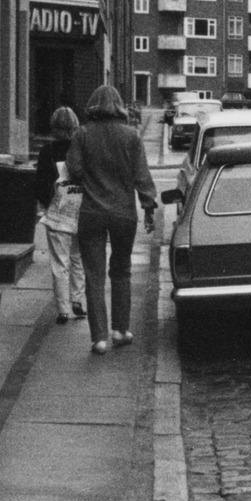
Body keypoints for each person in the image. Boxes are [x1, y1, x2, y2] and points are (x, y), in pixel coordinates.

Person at [67, 84, 158, 355]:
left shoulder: (82, 134)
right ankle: (120, 330)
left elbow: (74, 170)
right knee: (121, 270)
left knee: (93, 275)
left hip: (91, 212)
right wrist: (148, 207)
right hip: (123, 213)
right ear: (119, 106)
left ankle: (99, 338)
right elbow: (142, 176)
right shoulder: (132, 136)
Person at [34, 106, 86, 325]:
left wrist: (48, 205)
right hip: (80, 211)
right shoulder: (82, 149)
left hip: (57, 213)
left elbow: (41, 184)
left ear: (53, 127)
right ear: (74, 125)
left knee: (59, 262)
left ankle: (63, 309)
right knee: (78, 258)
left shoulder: (47, 152)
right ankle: (78, 300)